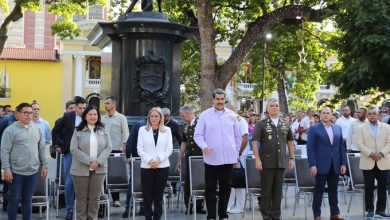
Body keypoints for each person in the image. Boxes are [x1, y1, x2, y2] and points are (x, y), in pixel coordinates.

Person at [194, 88, 241, 220]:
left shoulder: (232, 115)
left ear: (224, 99)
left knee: (226, 188)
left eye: (222, 99)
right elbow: (198, 135)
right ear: (213, 99)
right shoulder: (204, 115)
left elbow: (237, 137)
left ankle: (223, 215)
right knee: (210, 188)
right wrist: (204, 147)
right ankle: (211, 216)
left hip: (228, 159)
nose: (220, 101)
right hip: (211, 158)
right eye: (217, 99)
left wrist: (236, 154)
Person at [1, 103, 48, 220]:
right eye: (25, 112)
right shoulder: (10, 130)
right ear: (17, 114)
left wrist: (44, 165)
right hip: (16, 173)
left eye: (30, 113)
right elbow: (4, 151)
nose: (28, 115)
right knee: (14, 200)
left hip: (32, 172)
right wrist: (6, 170)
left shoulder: (37, 129)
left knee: (28, 200)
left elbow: (42, 148)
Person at [252, 98, 295, 220]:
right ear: (267, 108)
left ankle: (276, 216)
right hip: (266, 163)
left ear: (279, 108)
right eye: (272, 105)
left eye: (276, 105)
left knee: (277, 192)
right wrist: (257, 159)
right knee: (266, 192)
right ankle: (266, 216)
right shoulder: (261, 124)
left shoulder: (285, 124)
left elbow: (290, 141)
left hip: (281, 162)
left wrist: (291, 158)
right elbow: (255, 142)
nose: (274, 107)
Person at [70, 105, 112, 220]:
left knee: (95, 198)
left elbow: (109, 147)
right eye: (90, 114)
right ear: (85, 116)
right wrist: (89, 161)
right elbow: (73, 149)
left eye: (95, 114)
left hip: (99, 169)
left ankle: (92, 218)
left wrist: (98, 162)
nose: (93, 116)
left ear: (98, 116)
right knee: (81, 198)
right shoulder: (77, 130)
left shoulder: (103, 129)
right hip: (80, 169)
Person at [307, 106, 347, 220]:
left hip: (335, 165)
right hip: (320, 165)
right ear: (320, 115)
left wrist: (343, 163)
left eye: (327, 113)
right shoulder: (314, 128)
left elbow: (341, 147)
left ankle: (334, 214)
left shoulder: (338, 128)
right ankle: (317, 215)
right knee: (319, 190)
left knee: (333, 190)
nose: (325, 115)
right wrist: (312, 164)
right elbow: (310, 148)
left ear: (331, 115)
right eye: (323, 113)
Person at [52, 96, 87, 220]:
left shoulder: (90, 117)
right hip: (70, 153)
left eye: (84, 107)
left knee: (85, 182)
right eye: (80, 107)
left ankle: (83, 210)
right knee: (69, 182)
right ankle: (70, 210)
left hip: (86, 154)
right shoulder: (68, 117)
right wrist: (58, 145)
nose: (82, 110)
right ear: (75, 107)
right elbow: (55, 131)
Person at [137, 107, 173, 220]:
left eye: (156, 116)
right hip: (147, 166)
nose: (154, 118)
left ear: (161, 117)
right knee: (147, 195)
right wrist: (150, 160)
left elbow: (169, 149)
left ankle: (157, 217)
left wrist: (158, 159)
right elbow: (140, 149)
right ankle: (148, 217)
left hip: (162, 166)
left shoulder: (167, 130)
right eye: (151, 116)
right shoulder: (142, 130)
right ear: (148, 118)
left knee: (158, 195)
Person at [357, 107, 390, 219]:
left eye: (374, 113)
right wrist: (371, 154)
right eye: (370, 114)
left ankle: (380, 210)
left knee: (382, 186)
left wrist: (381, 154)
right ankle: (370, 210)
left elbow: (389, 143)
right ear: (367, 116)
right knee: (369, 187)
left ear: (378, 115)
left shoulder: (387, 127)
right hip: (367, 160)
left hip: (383, 160)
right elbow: (360, 145)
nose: (372, 115)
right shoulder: (360, 128)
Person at [176, 105, 206, 214]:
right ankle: (188, 205)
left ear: (188, 113)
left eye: (183, 116)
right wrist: (179, 159)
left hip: (200, 156)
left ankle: (199, 206)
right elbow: (184, 143)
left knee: (199, 180)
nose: (182, 118)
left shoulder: (201, 123)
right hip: (189, 157)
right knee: (188, 181)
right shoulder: (185, 126)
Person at [101, 96, 130, 207]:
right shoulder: (102, 119)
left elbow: (126, 133)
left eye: (107, 103)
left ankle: (116, 199)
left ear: (113, 104)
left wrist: (124, 145)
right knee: (104, 173)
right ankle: (104, 197)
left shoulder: (121, 118)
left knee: (115, 174)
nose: (106, 105)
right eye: (105, 103)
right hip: (104, 150)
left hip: (117, 150)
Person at [227, 112, 249, 214]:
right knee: (229, 181)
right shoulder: (226, 118)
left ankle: (240, 206)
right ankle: (228, 205)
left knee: (239, 181)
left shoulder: (240, 120)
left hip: (238, 155)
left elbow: (245, 139)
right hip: (228, 155)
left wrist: (238, 154)